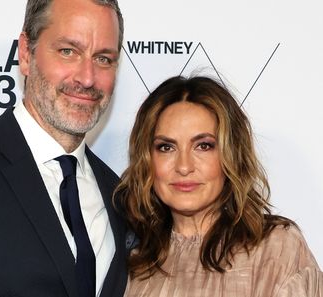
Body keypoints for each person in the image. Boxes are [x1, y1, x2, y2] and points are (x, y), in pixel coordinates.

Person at [0, 0, 127, 296]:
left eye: (103, 59)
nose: (87, 78)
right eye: (68, 51)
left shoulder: (118, 194)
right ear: (25, 53)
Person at [116, 75, 323, 297]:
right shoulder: (130, 260)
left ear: (230, 156)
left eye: (203, 146)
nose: (184, 167)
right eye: (166, 147)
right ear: (147, 159)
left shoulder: (277, 251)